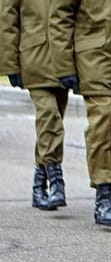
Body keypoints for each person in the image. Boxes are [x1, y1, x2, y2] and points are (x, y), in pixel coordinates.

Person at [50, 0, 111, 227]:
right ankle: (104, 194)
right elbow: (60, 16)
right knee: (104, 118)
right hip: (93, 58)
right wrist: (64, 65)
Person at [0, 0, 69, 211]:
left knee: (51, 124)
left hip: (63, 63)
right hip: (34, 59)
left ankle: (39, 185)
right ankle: (56, 179)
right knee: (49, 116)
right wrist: (10, 64)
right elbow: (7, 19)